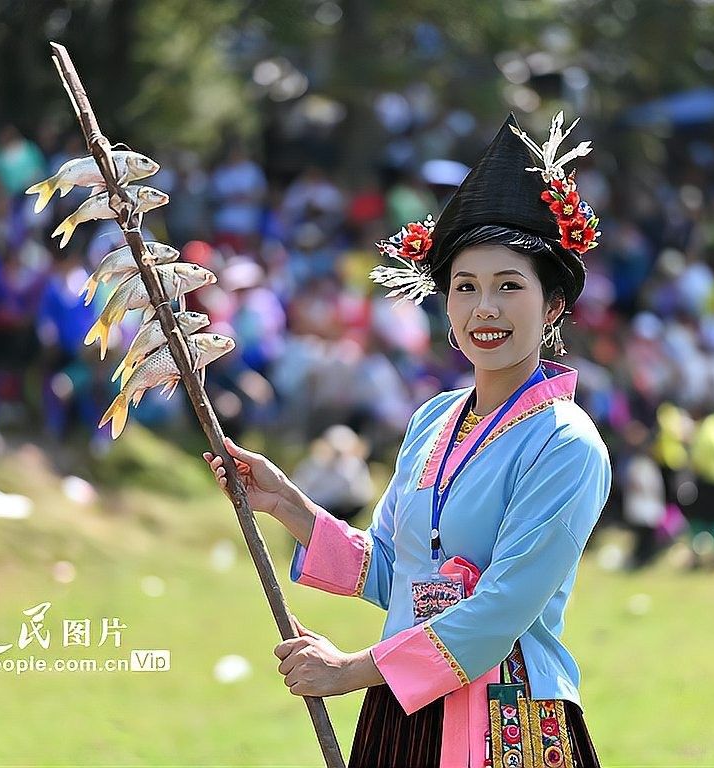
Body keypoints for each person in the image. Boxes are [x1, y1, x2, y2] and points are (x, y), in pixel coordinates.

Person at [205, 112, 611, 767]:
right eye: (466, 287)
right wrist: (288, 505)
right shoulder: (433, 420)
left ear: (553, 306)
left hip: (509, 722)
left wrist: (350, 669)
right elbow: (398, 573)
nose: (485, 308)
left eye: (510, 286)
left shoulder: (567, 445)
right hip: (403, 715)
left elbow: (501, 609)